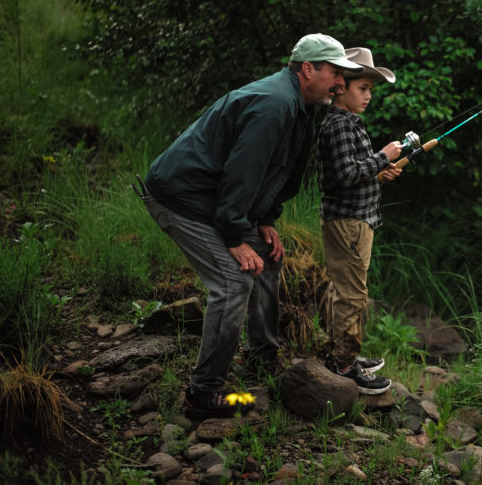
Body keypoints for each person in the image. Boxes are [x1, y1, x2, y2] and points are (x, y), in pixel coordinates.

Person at [137, 33, 362, 420]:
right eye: (336, 73)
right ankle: (202, 394)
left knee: (268, 257)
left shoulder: (303, 107)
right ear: (308, 69)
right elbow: (241, 176)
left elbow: (276, 174)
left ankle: (261, 360)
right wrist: (235, 236)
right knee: (232, 282)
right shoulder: (274, 105)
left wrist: (264, 222)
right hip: (180, 197)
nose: (341, 83)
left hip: (214, 199)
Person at [318, 47, 403, 395]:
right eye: (362, 88)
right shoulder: (338, 125)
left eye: (370, 90)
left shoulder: (348, 123)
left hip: (356, 220)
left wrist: (379, 172)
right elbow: (344, 173)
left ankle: (342, 355)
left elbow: (354, 173)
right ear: (341, 88)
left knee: (347, 291)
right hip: (349, 223)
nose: (368, 96)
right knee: (353, 295)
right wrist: (382, 156)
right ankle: (344, 365)